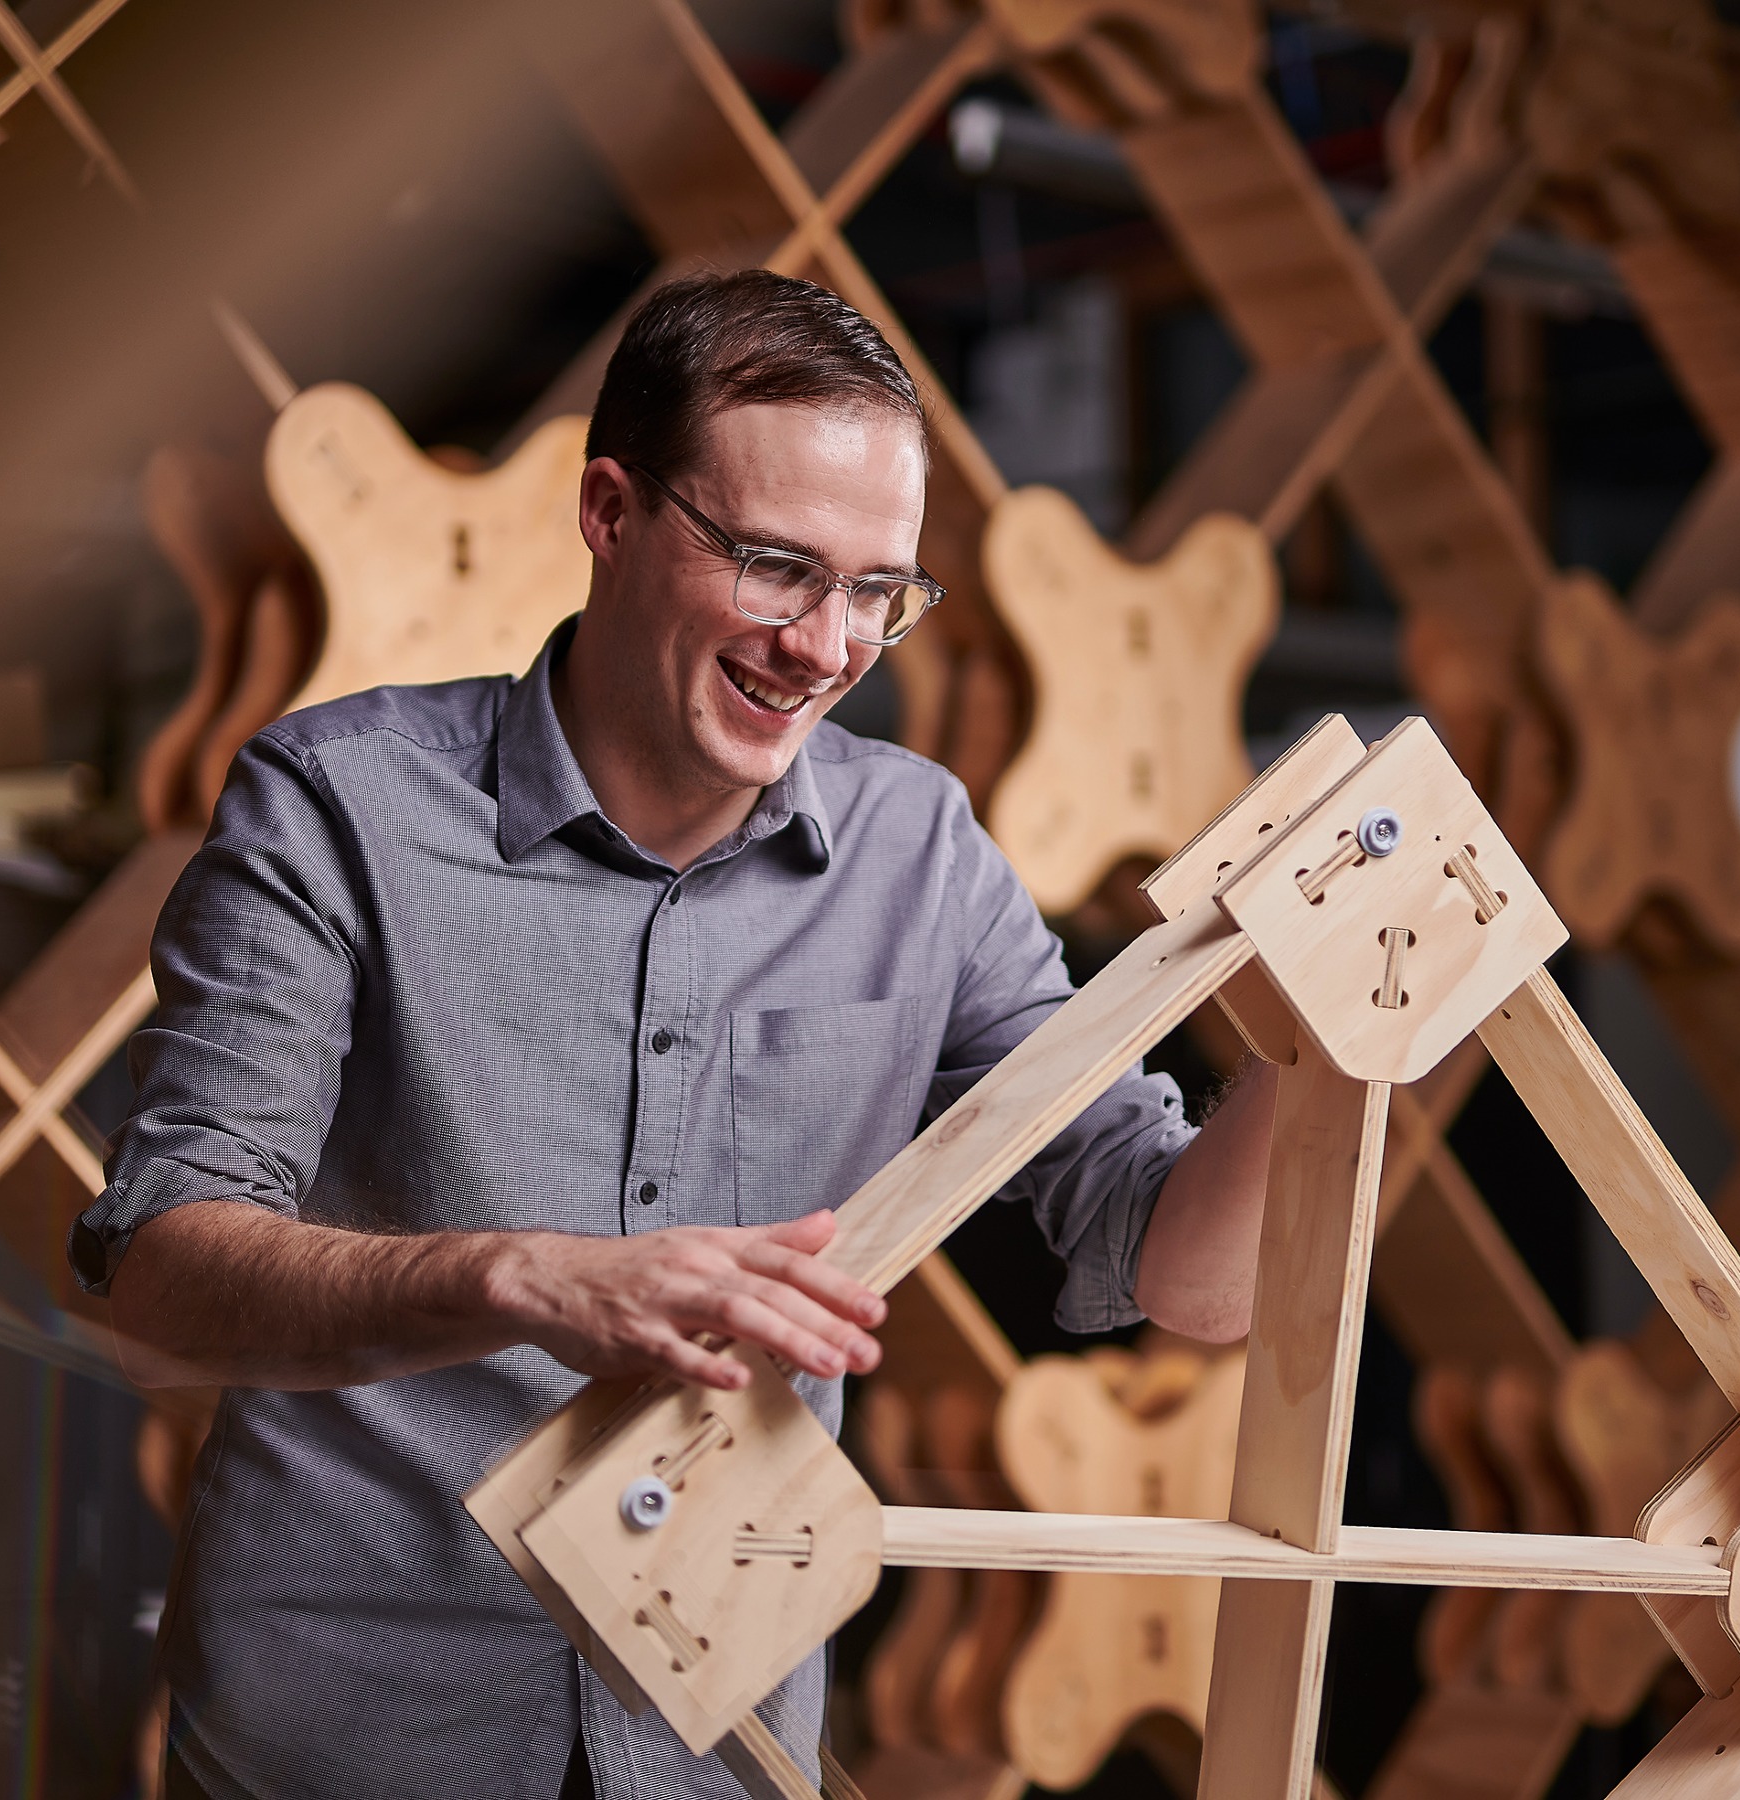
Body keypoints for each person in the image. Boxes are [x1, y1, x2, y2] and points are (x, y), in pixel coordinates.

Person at [74, 270, 1280, 1800]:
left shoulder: (925, 853)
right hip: (350, 1736)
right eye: (776, 566)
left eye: (877, 591)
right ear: (609, 511)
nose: (826, 645)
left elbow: (1186, 1272)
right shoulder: (335, 807)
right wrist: (522, 1278)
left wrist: (1324, 1049)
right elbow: (167, 1273)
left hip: (718, 1745)